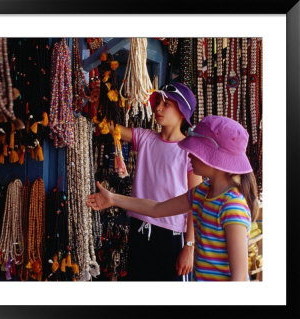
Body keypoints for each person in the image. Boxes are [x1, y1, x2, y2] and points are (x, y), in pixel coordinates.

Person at [88, 115, 259, 281]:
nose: (189, 154)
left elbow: (240, 279)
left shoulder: (233, 207)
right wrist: (112, 199)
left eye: (195, 150)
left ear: (214, 158)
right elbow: (157, 209)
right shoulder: (202, 192)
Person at [107, 82, 202, 281]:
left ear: (182, 112)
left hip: (173, 235)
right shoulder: (145, 138)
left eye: (166, 104)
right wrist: (104, 95)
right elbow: (110, 128)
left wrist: (189, 246)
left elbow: (196, 202)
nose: (158, 108)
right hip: (140, 228)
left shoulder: (190, 153)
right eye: (157, 102)